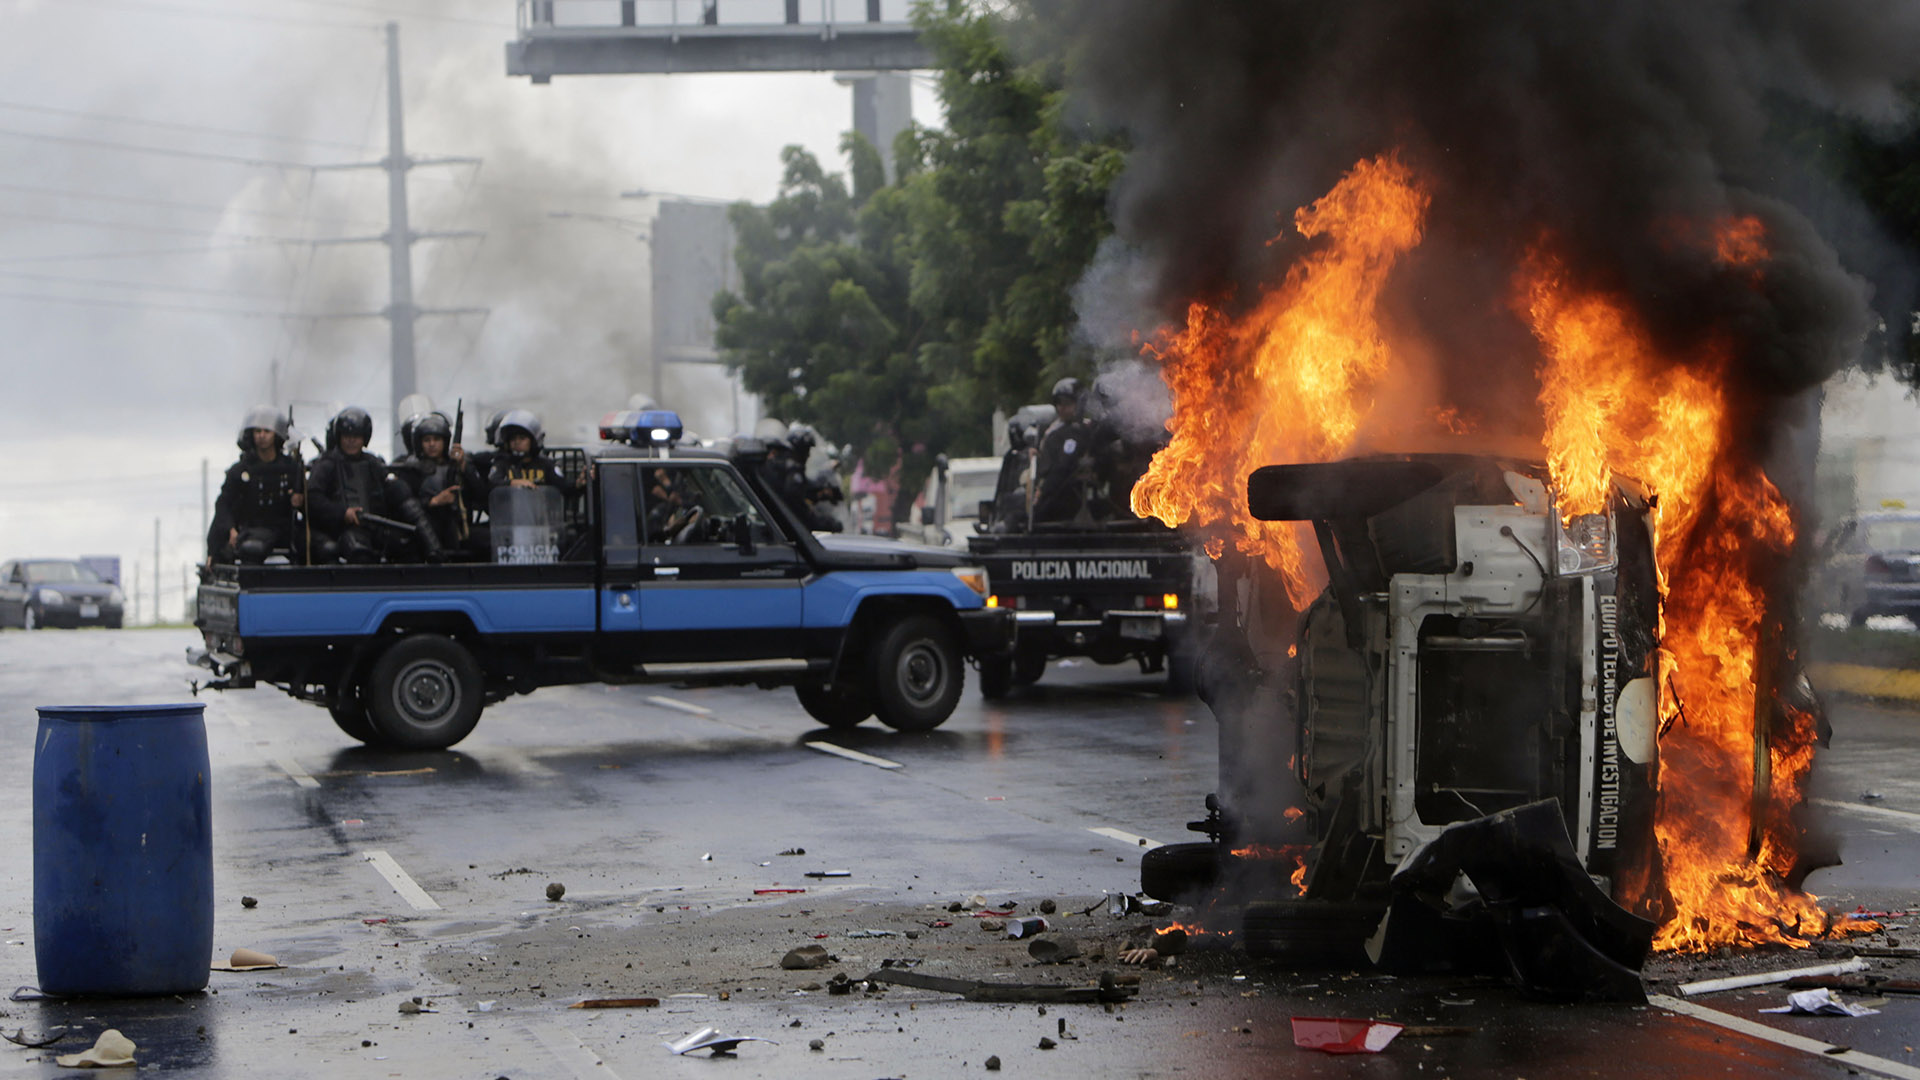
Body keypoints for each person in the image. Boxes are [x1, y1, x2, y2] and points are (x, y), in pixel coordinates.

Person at [306, 406, 442, 564]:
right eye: (347, 436)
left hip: (375, 526)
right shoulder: (327, 464)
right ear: (339, 437)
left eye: (356, 436)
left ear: (364, 438)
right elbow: (313, 498)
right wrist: (343, 513)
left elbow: (390, 492)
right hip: (341, 529)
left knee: (407, 546)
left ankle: (433, 551)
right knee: (359, 551)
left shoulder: (373, 463)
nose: (351, 441)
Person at [207, 406, 304, 564]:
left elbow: (312, 502)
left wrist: (300, 500)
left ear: (276, 434)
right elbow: (223, 504)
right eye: (257, 431)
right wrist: (230, 529)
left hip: (287, 529)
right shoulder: (240, 470)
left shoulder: (292, 468)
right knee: (251, 549)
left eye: (267, 431)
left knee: (319, 547)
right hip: (253, 529)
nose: (262, 436)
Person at [393, 411, 479, 556]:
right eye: (427, 440)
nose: (432, 444)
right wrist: (434, 501)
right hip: (424, 534)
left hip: (459, 529)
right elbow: (403, 506)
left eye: (437, 439)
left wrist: (464, 467)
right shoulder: (411, 470)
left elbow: (480, 494)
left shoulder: (458, 466)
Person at [1032, 377, 1096, 523]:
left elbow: (1063, 467)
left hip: (1067, 496)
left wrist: (1044, 495)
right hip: (1051, 490)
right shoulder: (1052, 430)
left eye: (1067, 403)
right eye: (1058, 403)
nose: (1061, 408)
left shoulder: (1083, 430)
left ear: (1079, 404)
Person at [483, 410, 577, 495]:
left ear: (533, 441)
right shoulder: (502, 463)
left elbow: (564, 487)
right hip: (510, 513)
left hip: (538, 513)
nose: (517, 442)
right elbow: (491, 483)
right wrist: (513, 483)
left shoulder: (545, 464)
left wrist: (579, 483)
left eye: (522, 438)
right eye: (513, 439)